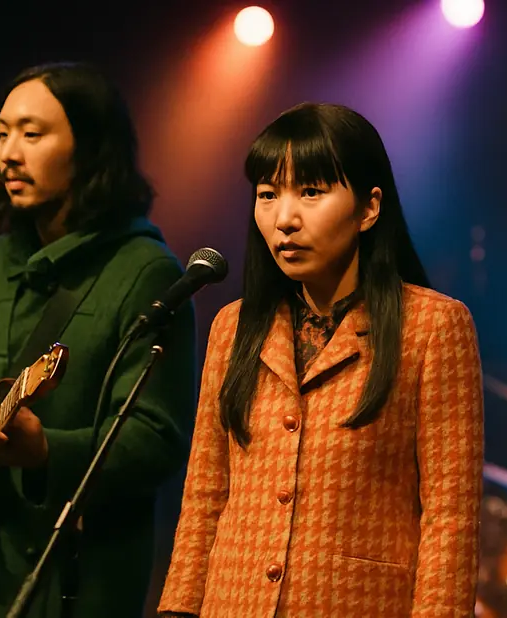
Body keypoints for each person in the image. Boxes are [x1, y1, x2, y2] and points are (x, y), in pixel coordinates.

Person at [158, 102, 484, 617]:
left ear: (369, 208)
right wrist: (178, 609)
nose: (284, 218)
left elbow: (451, 514)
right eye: (267, 195)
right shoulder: (233, 327)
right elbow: (204, 495)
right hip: (232, 602)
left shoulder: (433, 327)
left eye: (311, 192)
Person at [0, 62, 197, 618]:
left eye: (32, 134)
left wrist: (45, 451)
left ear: (91, 147)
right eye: (3, 132)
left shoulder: (148, 272)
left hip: (75, 580)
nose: (8, 153)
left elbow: (157, 441)